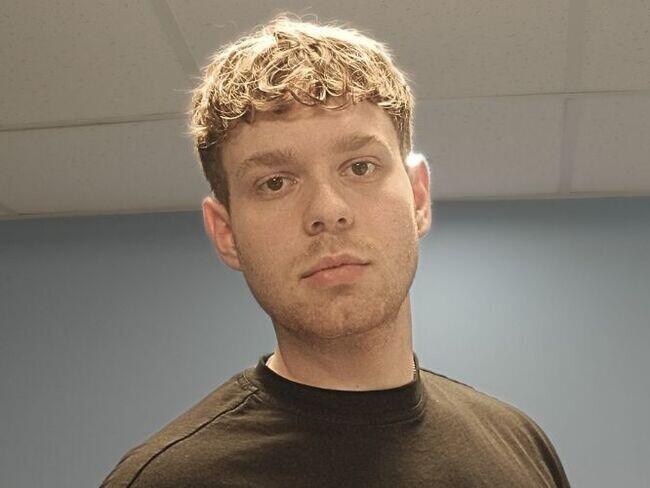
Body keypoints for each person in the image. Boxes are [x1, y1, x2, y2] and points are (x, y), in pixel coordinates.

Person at [100, 13, 571, 487]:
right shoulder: (161, 480)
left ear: (418, 198)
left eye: (360, 167)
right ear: (226, 233)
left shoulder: (520, 447)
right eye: (275, 182)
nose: (327, 211)